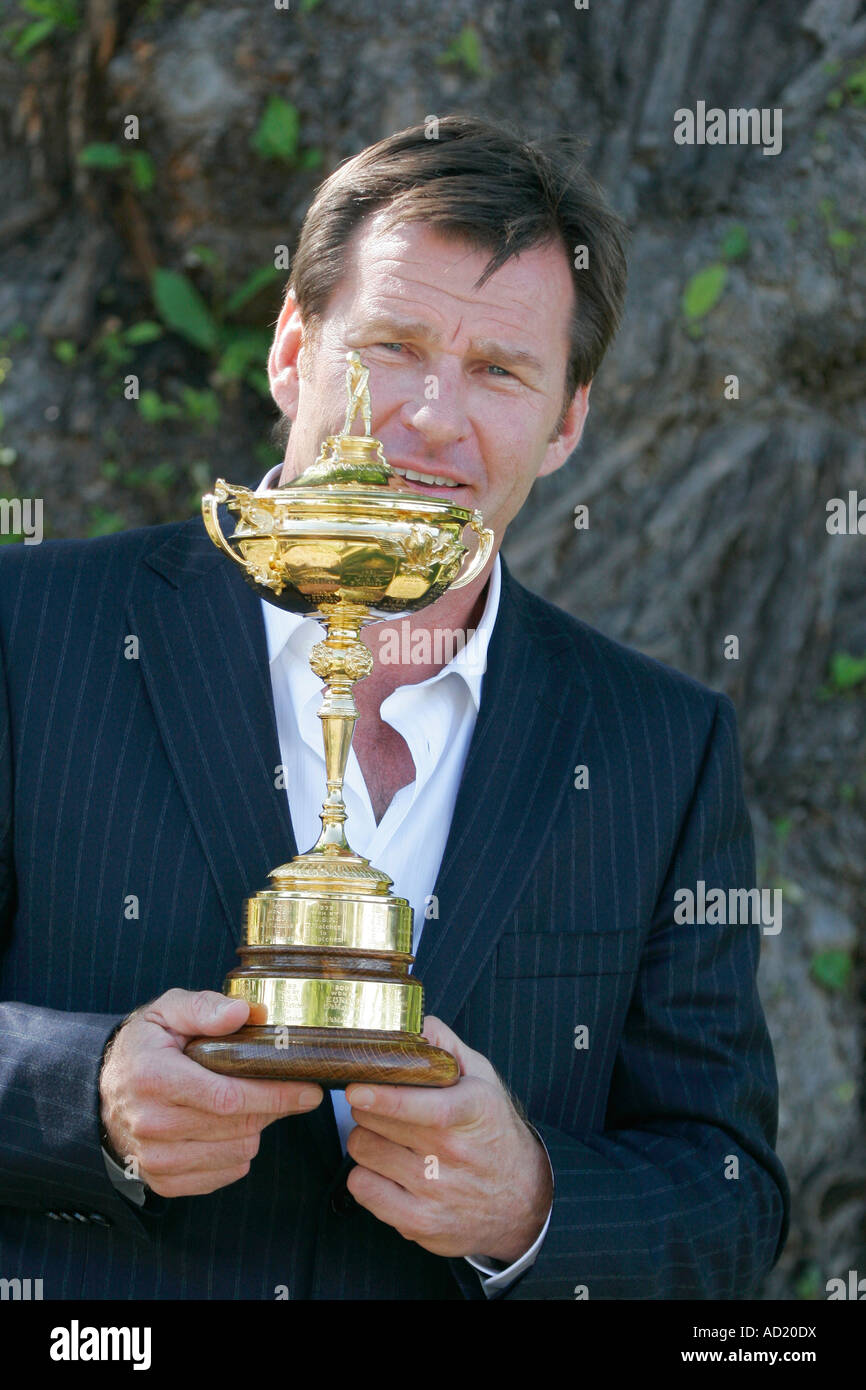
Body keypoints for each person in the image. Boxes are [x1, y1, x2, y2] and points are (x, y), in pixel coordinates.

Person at [0, 115, 789, 1300]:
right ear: (290, 349)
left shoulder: (657, 747)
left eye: (499, 371)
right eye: (389, 347)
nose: (427, 416)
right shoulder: (29, 631)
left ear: (565, 420)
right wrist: (82, 1090)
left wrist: (528, 1200)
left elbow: (726, 1200)